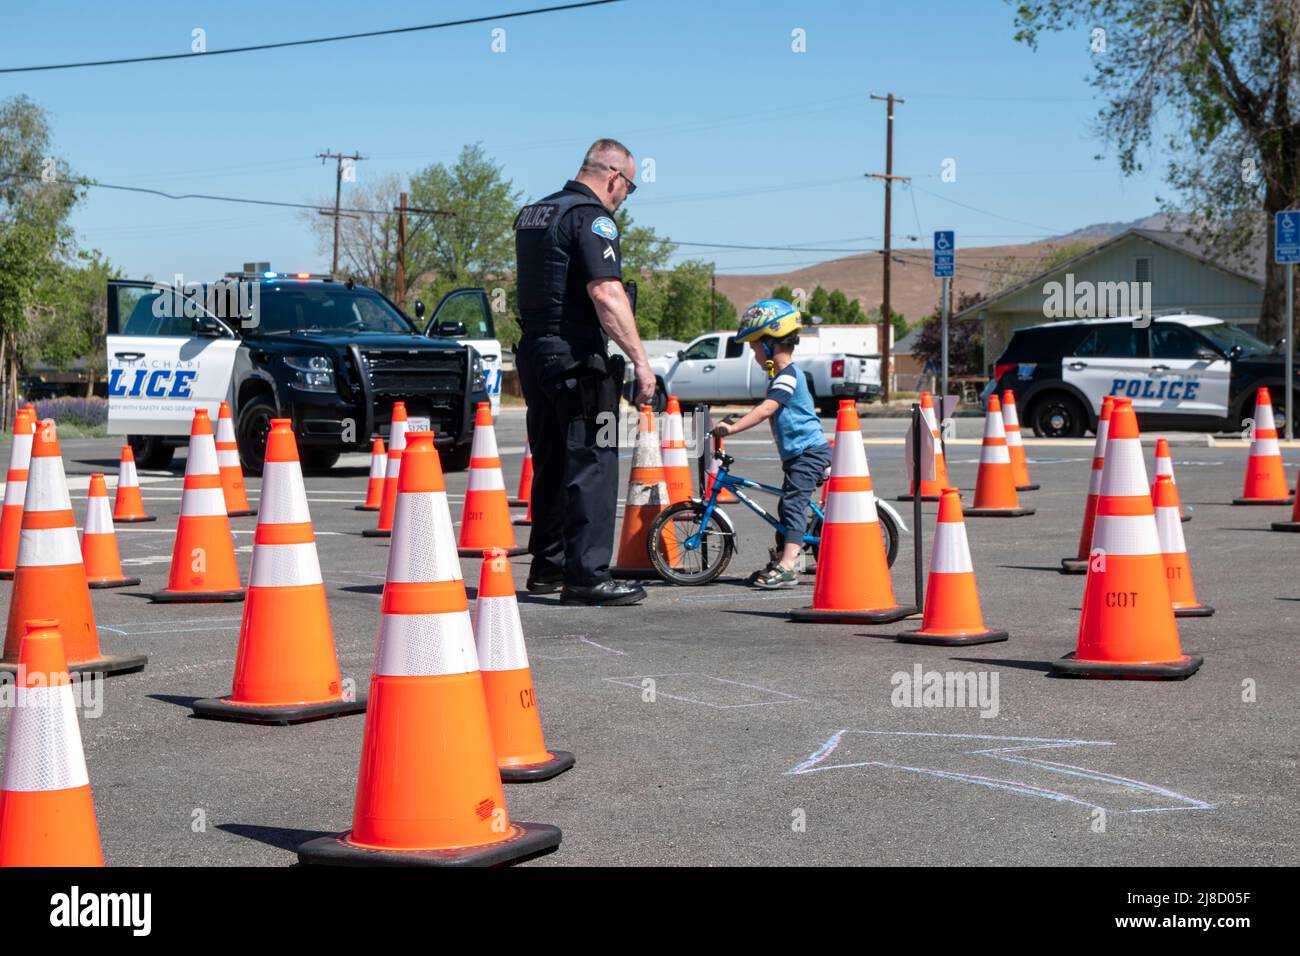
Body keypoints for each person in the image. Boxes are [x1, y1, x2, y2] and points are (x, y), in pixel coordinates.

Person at [512, 138, 655, 607]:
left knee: (552, 464)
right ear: (614, 175)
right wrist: (640, 360)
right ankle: (588, 577)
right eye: (628, 189)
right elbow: (606, 293)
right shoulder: (591, 218)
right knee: (595, 461)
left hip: (536, 353)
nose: (624, 198)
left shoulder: (535, 212)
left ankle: (548, 569)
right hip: (576, 357)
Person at [712, 299, 832, 589]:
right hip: (798, 455)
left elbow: (766, 408)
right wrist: (737, 417)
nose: (753, 352)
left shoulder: (789, 376)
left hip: (809, 454)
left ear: (770, 344)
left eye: (754, 346)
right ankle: (784, 557)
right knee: (786, 505)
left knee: (793, 504)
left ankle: (789, 567)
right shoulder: (780, 378)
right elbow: (769, 407)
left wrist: (733, 428)